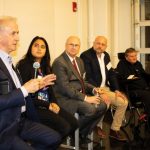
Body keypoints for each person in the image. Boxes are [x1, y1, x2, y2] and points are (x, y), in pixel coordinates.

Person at [0, 16, 61, 150]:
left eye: (17, 33)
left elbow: (21, 92)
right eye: (13, 33)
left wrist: (38, 86)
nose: (17, 38)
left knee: (55, 138)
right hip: (5, 127)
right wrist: (24, 90)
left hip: (21, 120)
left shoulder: (9, 62)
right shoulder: (17, 63)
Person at [16, 36, 78, 140]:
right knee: (64, 127)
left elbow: (50, 89)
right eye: (36, 45)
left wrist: (54, 103)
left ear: (46, 51)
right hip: (34, 107)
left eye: (42, 47)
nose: (39, 49)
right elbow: (27, 95)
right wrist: (47, 105)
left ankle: (50, 141)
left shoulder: (46, 67)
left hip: (47, 104)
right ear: (31, 48)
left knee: (74, 123)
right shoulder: (24, 65)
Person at [52, 35, 107, 143]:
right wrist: (86, 98)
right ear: (66, 46)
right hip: (65, 98)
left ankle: (80, 133)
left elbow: (83, 82)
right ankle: (73, 132)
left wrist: (93, 90)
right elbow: (64, 88)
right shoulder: (59, 62)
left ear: (79, 47)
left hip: (77, 96)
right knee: (90, 109)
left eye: (76, 45)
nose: (74, 47)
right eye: (71, 45)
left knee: (102, 106)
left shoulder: (79, 61)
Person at [80, 36, 128, 141]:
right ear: (93, 43)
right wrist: (100, 92)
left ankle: (114, 129)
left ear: (106, 46)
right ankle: (97, 126)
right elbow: (87, 78)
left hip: (105, 88)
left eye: (103, 44)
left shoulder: (106, 55)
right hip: (92, 88)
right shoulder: (86, 56)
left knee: (124, 102)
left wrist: (116, 90)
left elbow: (111, 74)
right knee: (105, 103)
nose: (100, 46)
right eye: (98, 43)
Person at [117, 47, 150, 117]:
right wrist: (132, 78)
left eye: (135, 55)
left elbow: (144, 75)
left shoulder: (138, 63)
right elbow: (121, 80)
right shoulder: (121, 64)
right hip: (131, 90)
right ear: (126, 57)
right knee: (147, 95)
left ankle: (145, 114)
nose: (134, 58)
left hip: (143, 88)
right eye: (132, 56)